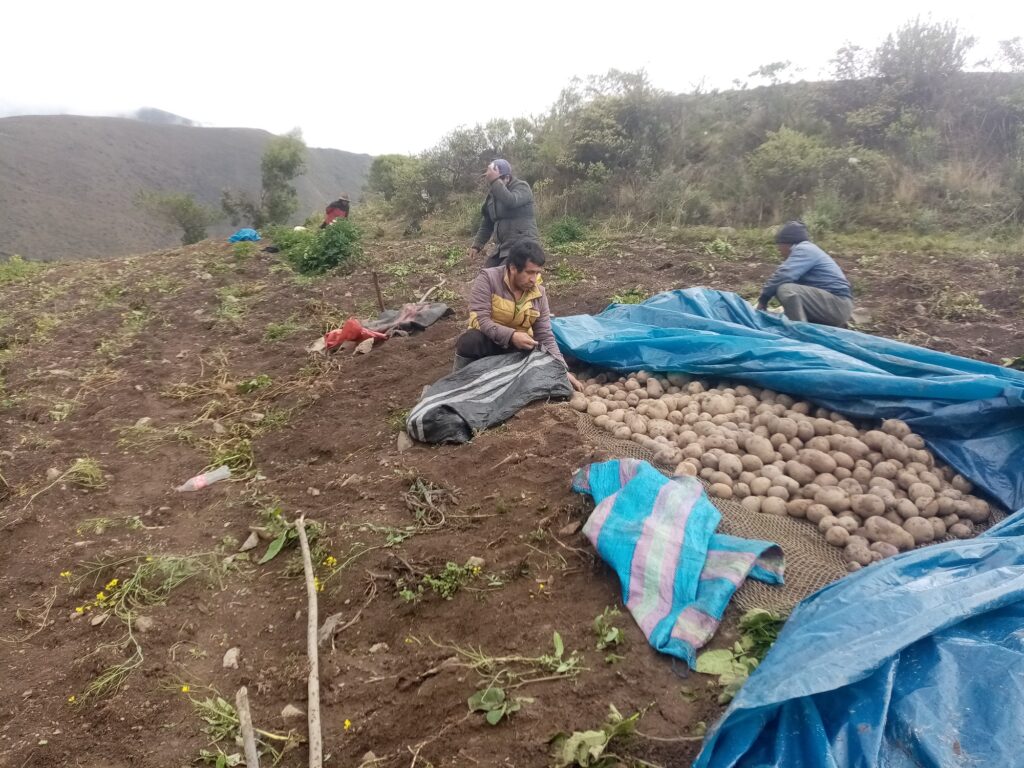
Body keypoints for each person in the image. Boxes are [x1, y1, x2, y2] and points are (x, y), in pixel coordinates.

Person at [454, 239, 583, 392]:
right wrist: (511, 336)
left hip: (517, 347)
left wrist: (561, 369)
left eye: (537, 272)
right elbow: (481, 320)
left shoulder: (539, 293)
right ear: (513, 268)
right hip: (489, 341)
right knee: (470, 341)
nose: (534, 279)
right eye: (530, 272)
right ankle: (457, 383)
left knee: (537, 361)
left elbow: (544, 334)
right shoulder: (488, 279)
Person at [756, 221, 854, 327]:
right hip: (834, 305)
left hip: (838, 305)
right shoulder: (809, 249)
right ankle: (821, 326)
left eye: (779, 245)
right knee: (790, 290)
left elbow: (783, 275)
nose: (779, 250)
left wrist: (763, 300)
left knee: (786, 289)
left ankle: (800, 330)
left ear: (786, 243)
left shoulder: (804, 249)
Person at [468, 159, 539, 268]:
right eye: (491, 180)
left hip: (523, 246)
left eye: (496, 179)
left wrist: (495, 181)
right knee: (486, 275)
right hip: (502, 249)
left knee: (504, 274)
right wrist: (477, 245)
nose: (492, 183)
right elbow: (487, 224)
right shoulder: (493, 196)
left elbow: (511, 201)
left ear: (507, 177)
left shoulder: (522, 187)